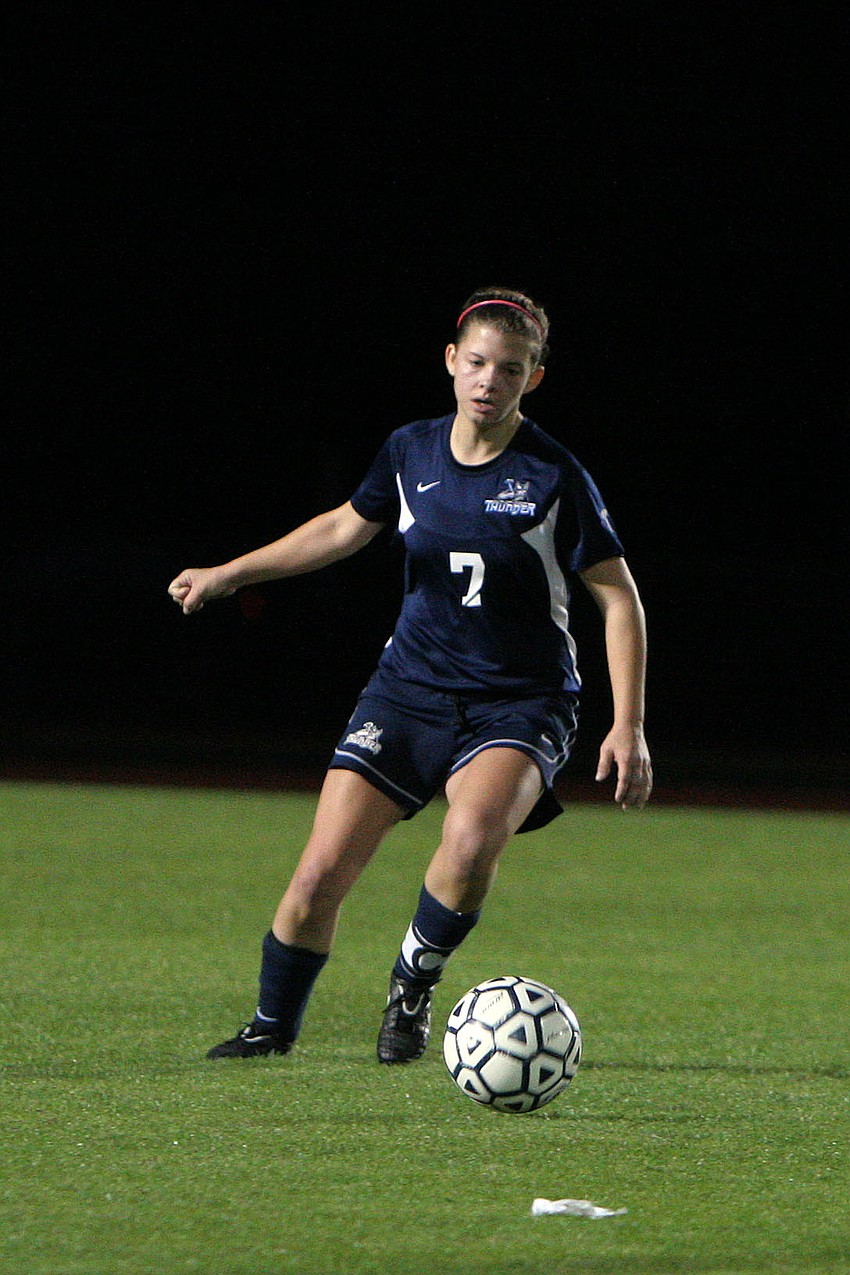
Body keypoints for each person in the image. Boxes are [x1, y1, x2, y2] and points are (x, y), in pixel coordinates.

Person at [168, 286, 652, 1065]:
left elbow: (617, 598)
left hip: (519, 701)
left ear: (533, 379)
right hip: (408, 690)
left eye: (512, 368)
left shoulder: (555, 474)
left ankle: (411, 985)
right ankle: (271, 1028)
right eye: (479, 362)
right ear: (453, 362)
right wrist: (230, 573)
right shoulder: (410, 452)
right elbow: (340, 529)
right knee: (318, 873)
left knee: (468, 843)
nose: (490, 380)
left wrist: (626, 722)